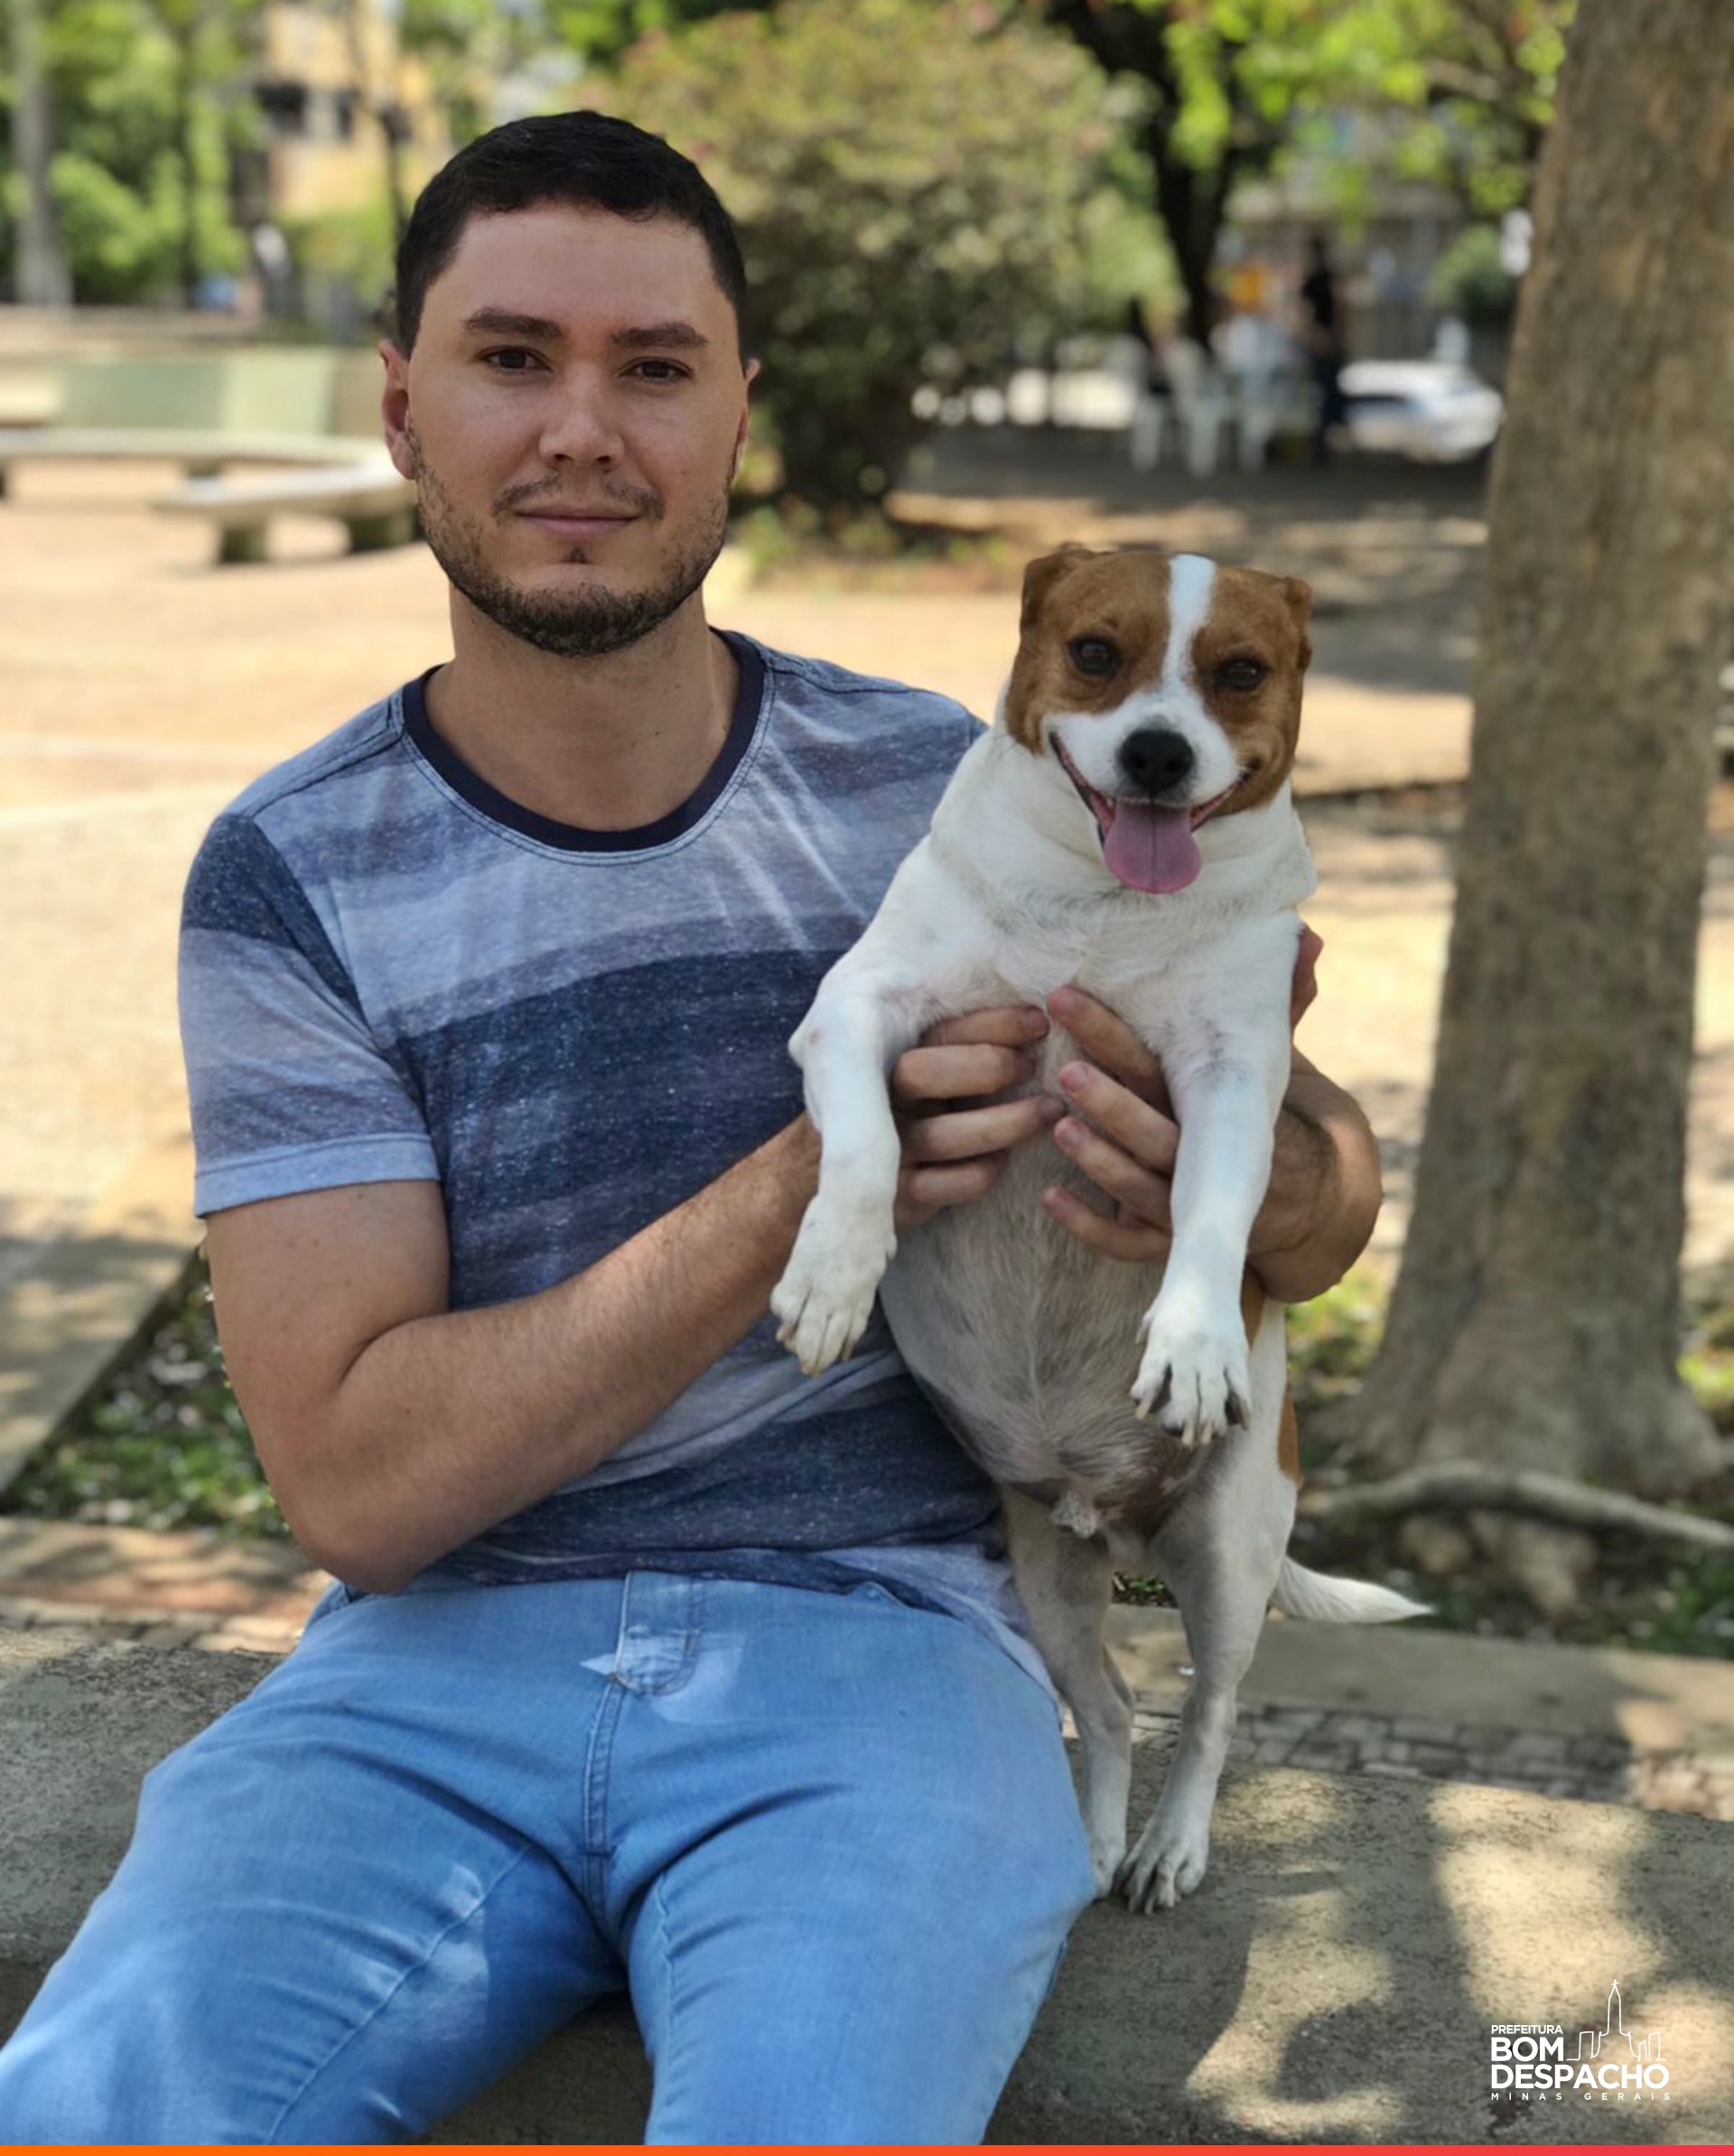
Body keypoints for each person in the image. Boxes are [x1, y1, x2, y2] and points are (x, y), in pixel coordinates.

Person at [0, 111, 1382, 2145]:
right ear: (401, 407)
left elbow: (1324, 1188)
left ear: (740, 414)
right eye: (511, 357)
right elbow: (362, 1486)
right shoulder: (293, 871)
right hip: (427, 1671)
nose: (585, 430)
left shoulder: (951, 779)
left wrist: (1250, 1192)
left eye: (654, 367)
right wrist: (819, 1176)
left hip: (889, 1655)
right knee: (104, 2106)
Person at [1299, 232, 1349, 462]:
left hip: (1324, 339)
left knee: (1327, 390)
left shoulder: (1323, 278)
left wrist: (1322, 335)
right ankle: (1324, 438)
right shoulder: (1320, 279)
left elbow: (1336, 308)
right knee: (1325, 390)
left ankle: (1325, 437)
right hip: (1324, 339)